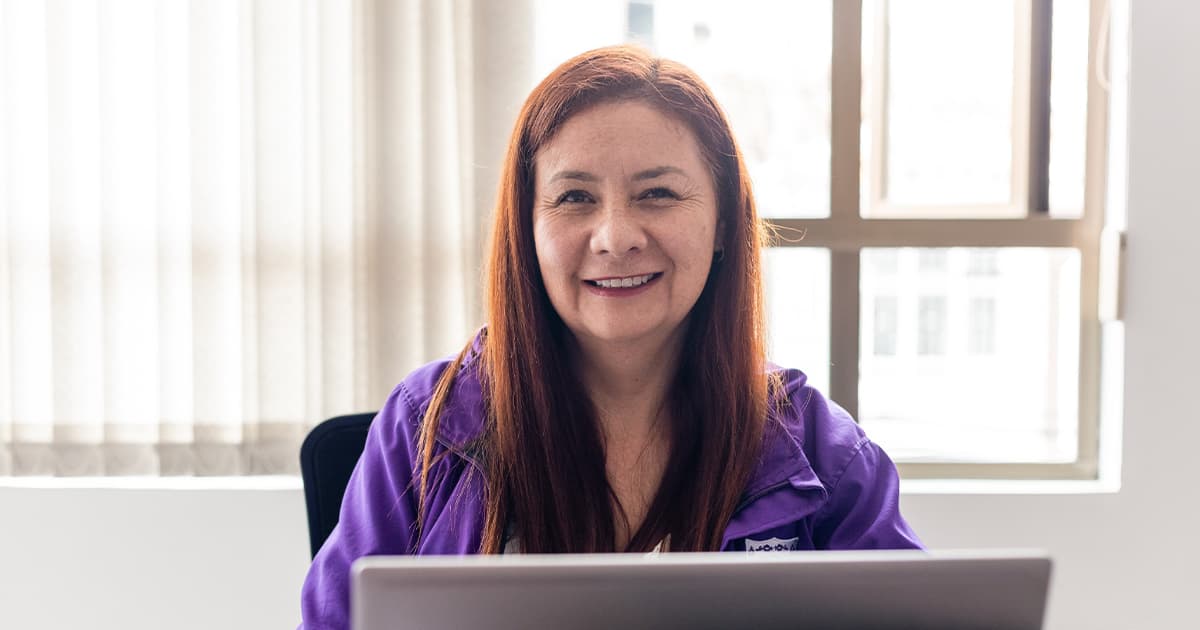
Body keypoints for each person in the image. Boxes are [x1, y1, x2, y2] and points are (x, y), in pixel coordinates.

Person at [299, 44, 921, 629]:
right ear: (528, 231)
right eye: (574, 197)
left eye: (657, 193)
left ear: (725, 223)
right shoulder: (427, 424)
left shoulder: (820, 451)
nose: (615, 236)